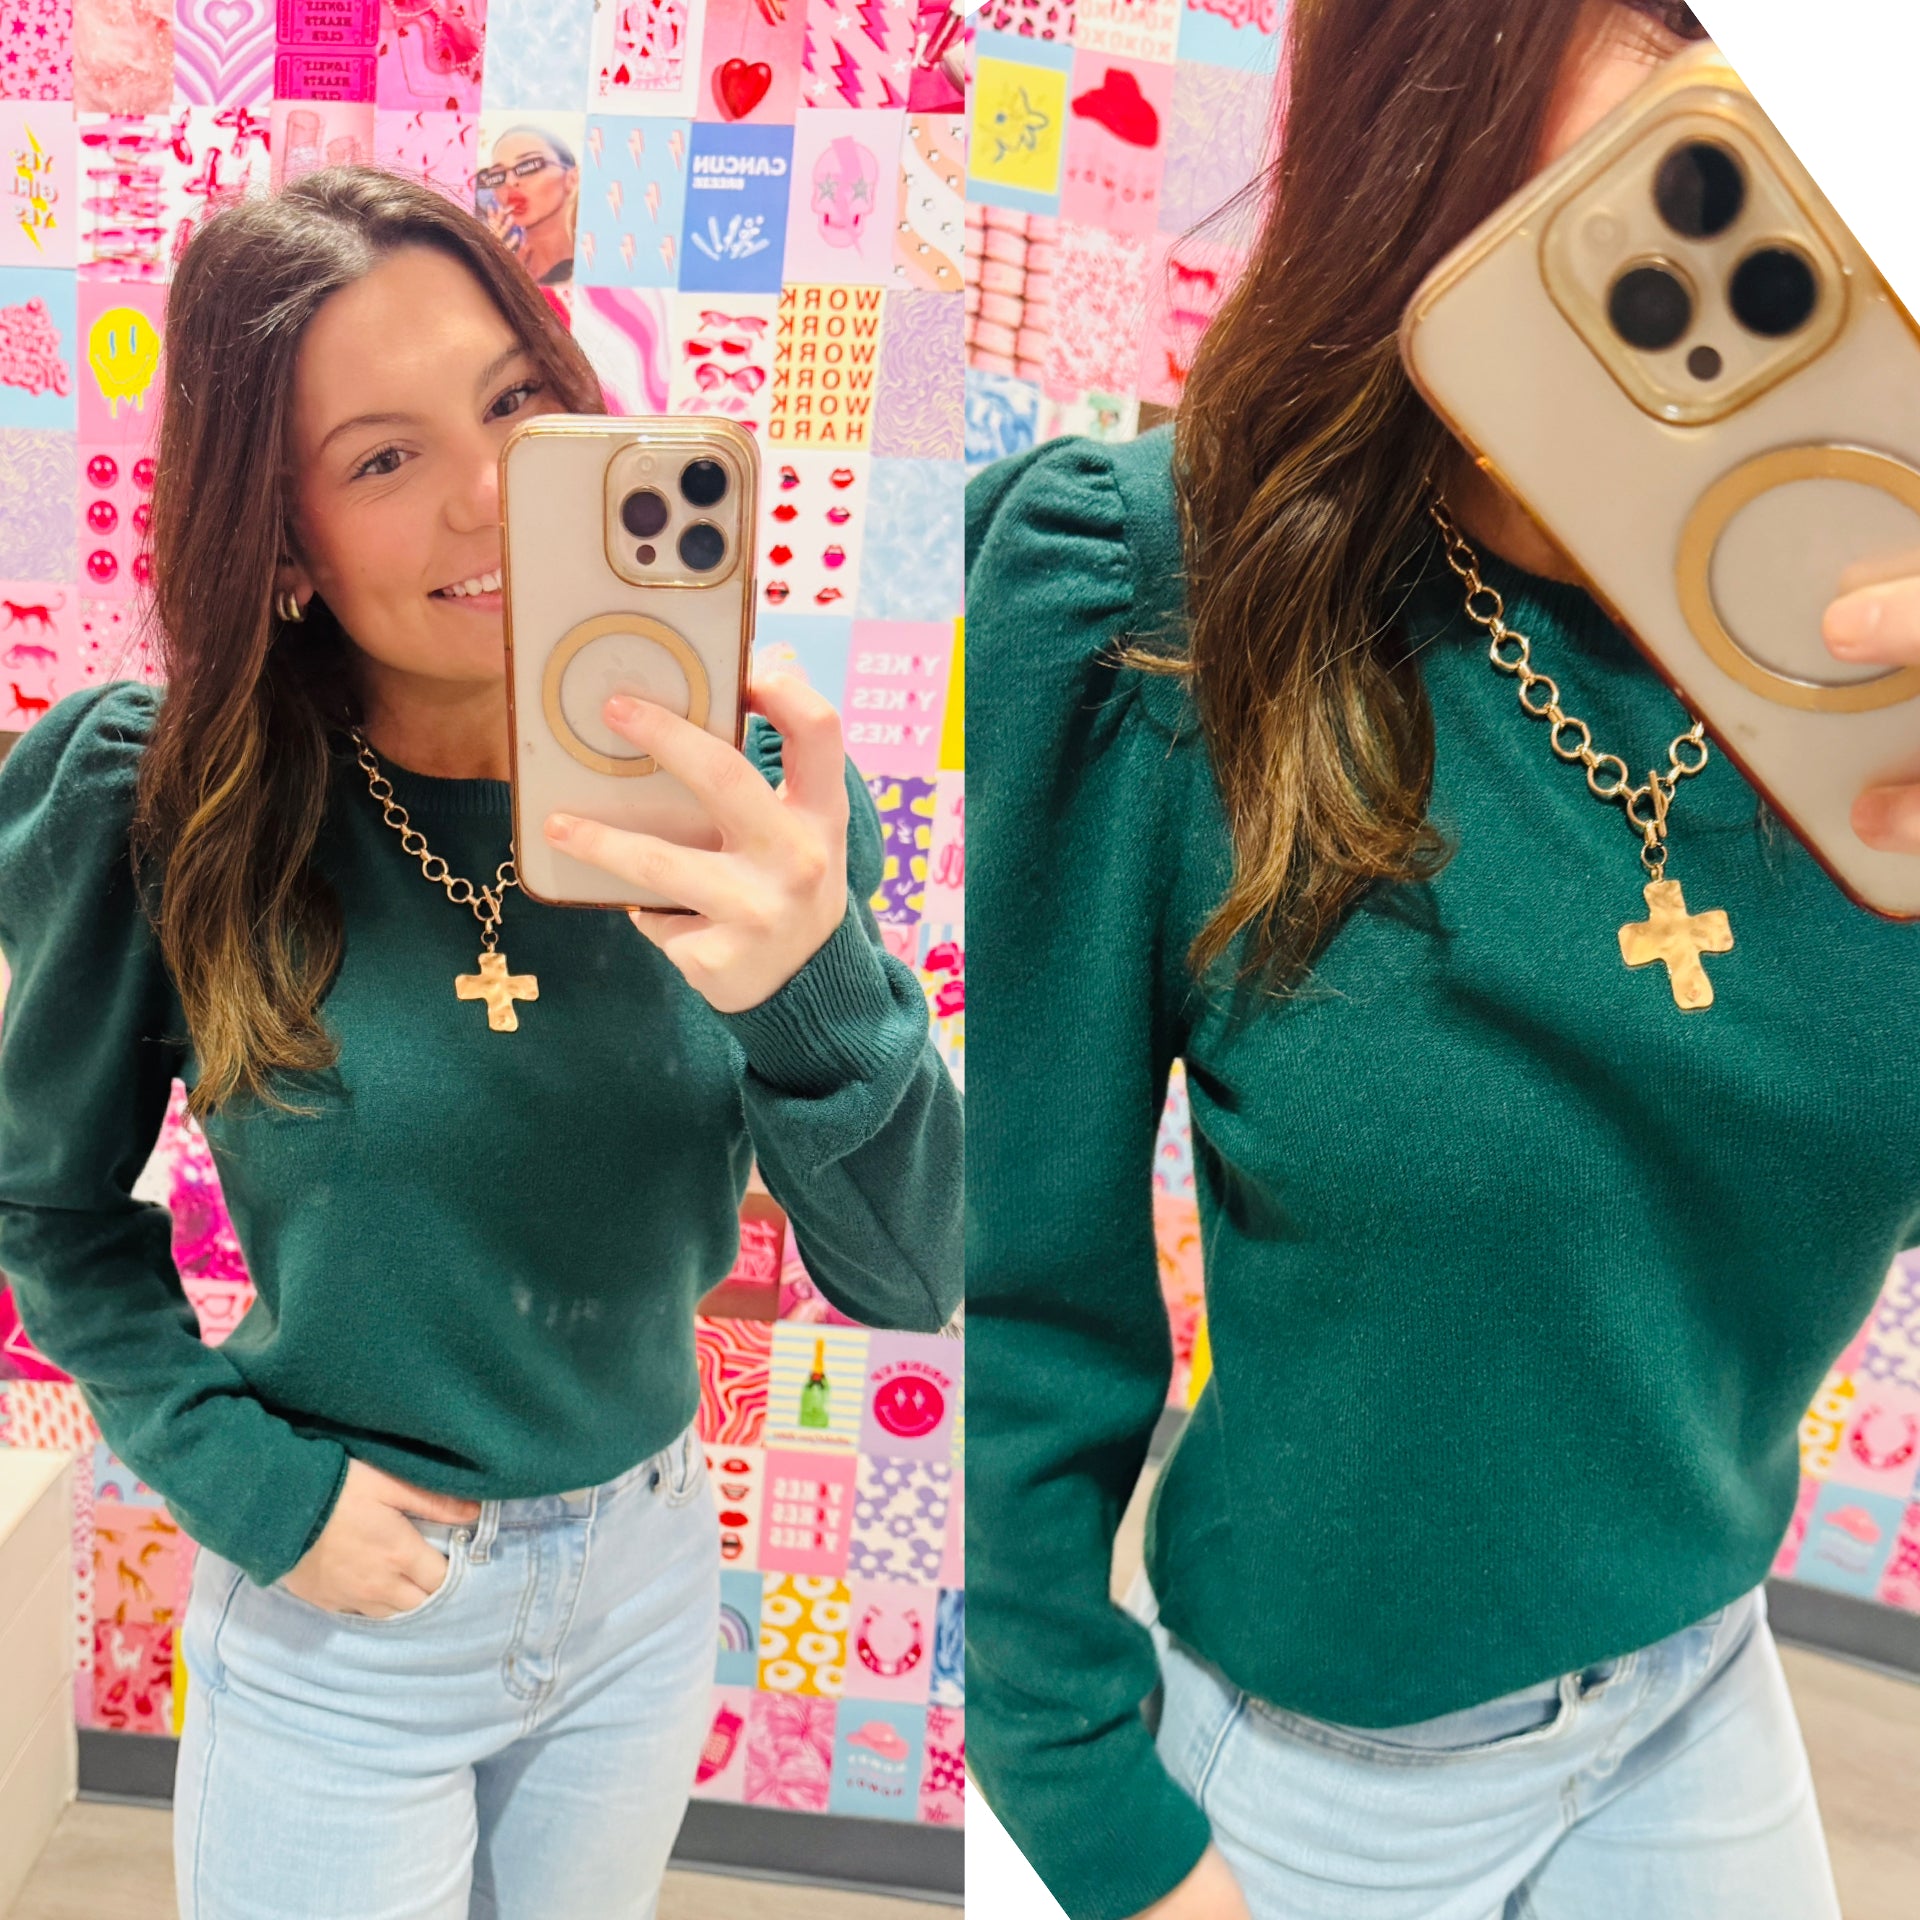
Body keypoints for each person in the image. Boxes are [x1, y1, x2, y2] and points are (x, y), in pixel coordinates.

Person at [965, 5, 1920, 1919]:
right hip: (1326, 1772)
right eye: (1558, 235)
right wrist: (1084, 1798)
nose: (1658, 333)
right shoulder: (1156, 604)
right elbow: (1013, 1268)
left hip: (1697, 1680)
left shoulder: (1874, 631)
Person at [0, 167, 961, 1920]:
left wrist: (808, 975)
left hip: (646, 1586)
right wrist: (250, 1486)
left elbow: (914, 1271)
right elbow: (45, 1211)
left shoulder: (745, 815)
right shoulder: (174, 810)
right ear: (284, 541)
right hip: (350, 1612)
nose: (492, 495)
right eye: (383, 458)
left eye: (517, 404)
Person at [477, 125, 580, 286]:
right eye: (498, 175)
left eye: (528, 166)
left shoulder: (597, 262)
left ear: (572, 178)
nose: (510, 182)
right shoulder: (496, 266)